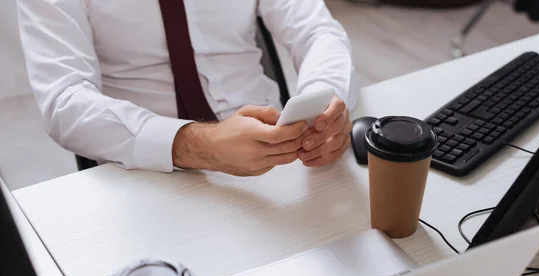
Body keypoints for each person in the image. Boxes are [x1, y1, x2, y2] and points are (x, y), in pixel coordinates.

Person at [17, 0, 359, 176]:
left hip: (280, 155)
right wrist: (198, 145)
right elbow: (64, 100)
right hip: (146, 172)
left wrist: (324, 106)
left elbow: (317, 31)